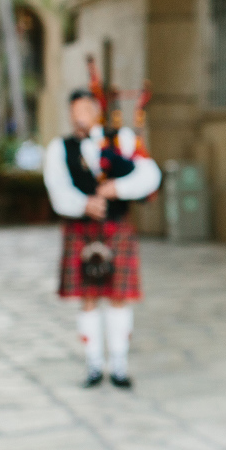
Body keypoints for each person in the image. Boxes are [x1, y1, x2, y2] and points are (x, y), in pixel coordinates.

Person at [43, 89, 161, 389]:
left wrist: (117, 189)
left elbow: (150, 175)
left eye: (83, 107)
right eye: (73, 109)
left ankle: (118, 364)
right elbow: (57, 188)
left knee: (119, 296)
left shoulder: (121, 139)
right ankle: (94, 364)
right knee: (88, 296)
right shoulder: (60, 147)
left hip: (116, 226)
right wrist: (83, 204)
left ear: (97, 109)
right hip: (81, 229)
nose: (76, 115)